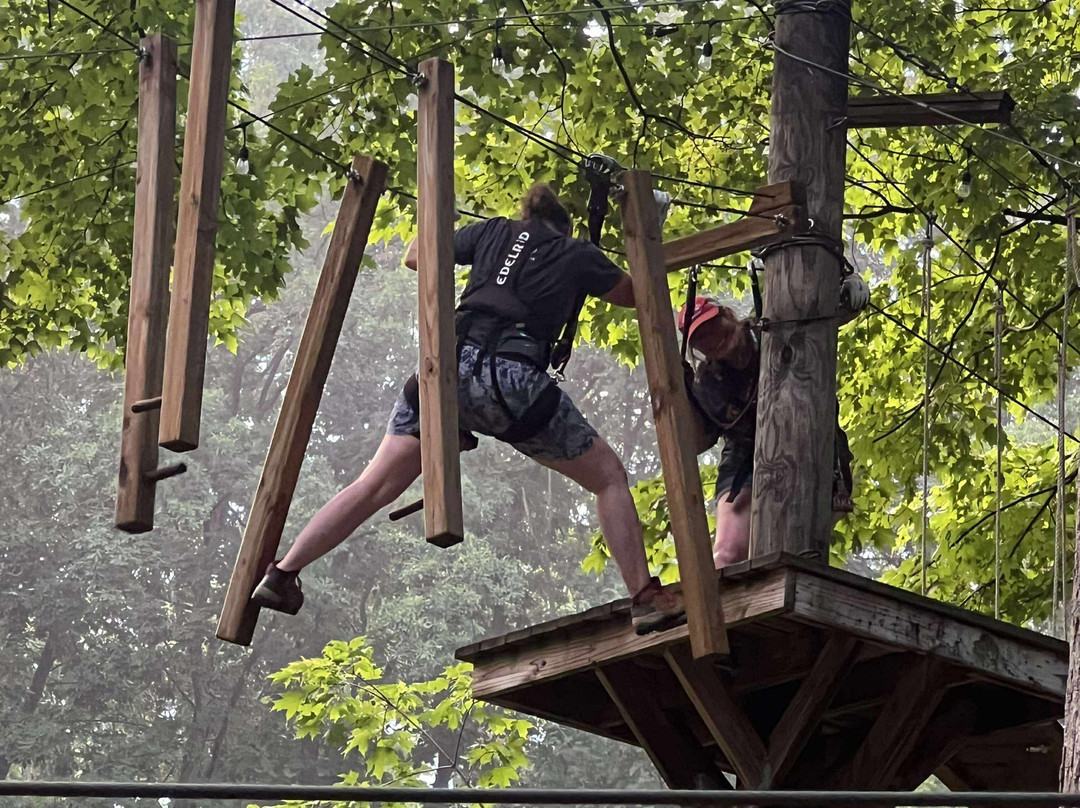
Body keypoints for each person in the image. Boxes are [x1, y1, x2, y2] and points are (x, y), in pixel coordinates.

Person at [250, 183, 683, 635]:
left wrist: (461, 233)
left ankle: (283, 573)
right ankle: (645, 597)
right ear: (563, 227)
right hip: (510, 383)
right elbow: (636, 295)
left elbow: (417, 255)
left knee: (374, 484)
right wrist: (643, 238)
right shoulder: (575, 253)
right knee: (608, 477)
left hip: (442, 374)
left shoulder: (492, 231)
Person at [679, 267, 870, 568]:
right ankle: (717, 608)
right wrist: (681, 399)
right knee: (727, 555)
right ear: (698, 350)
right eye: (703, 338)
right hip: (746, 457)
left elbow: (826, 316)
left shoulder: (774, 328)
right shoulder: (709, 383)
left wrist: (846, 291)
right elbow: (699, 441)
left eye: (715, 325)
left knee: (793, 548)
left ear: (728, 315)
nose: (715, 337)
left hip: (811, 440)